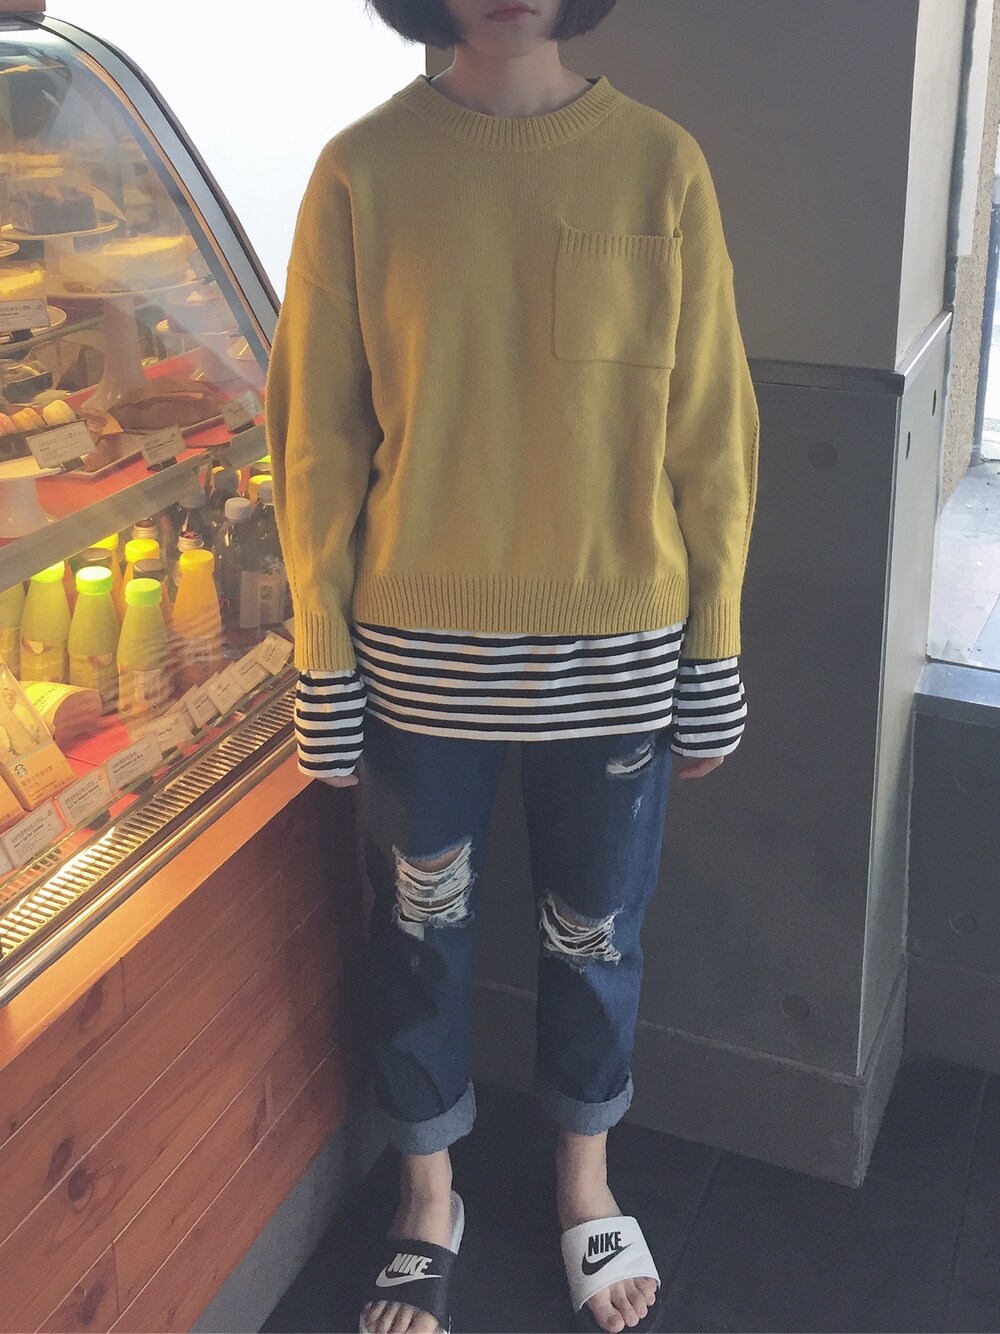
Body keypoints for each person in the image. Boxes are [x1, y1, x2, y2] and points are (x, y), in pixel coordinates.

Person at [266, 1, 760, 1330]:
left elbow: (711, 428)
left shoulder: (660, 164)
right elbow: (316, 435)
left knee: (598, 936)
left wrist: (715, 648)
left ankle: (584, 1182)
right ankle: (427, 1195)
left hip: (621, 652)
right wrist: (324, 656)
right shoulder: (362, 170)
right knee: (417, 937)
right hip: (416, 660)